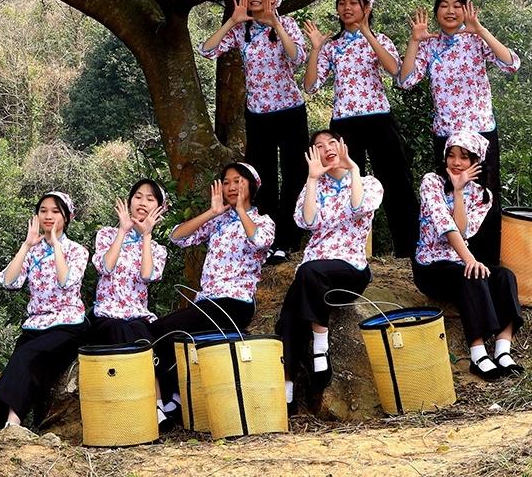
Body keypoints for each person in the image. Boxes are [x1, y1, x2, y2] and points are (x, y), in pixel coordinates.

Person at [397, 0, 519, 265]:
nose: (450, 11)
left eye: (456, 5)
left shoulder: (475, 40)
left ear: (466, 10)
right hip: (447, 136)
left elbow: (511, 64)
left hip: (479, 134)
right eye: (443, 5)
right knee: (448, 195)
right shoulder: (429, 43)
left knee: (485, 197)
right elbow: (405, 81)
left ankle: (486, 263)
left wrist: (480, 29)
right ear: (436, 11)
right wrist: (414, 41)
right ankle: (453, 262)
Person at [147, 162, 274, 427]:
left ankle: (171, 399)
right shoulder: (218, 222)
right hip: (207, 302)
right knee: (164, 334)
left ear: (252, 185)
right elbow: (177, 237)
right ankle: (174, 398)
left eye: (238, 181)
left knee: (161, 329)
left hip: (236, 302)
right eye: (226, 182)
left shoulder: (263, 221)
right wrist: (211, 213)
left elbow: (260, 241)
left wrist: (240, 210)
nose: (231, 187)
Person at [0, 192, 89, 448]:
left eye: (55, 211)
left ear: (68, 216)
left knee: (24, 357)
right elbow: (9, 282)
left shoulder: (77, 251)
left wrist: (55, 247)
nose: (49, 216)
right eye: (43, 210)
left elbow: (66, 282)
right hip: (35, 325)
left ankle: (12, 423)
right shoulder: (32, 251)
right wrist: (27, 245)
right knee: (19, 370)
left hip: (69, 324)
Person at [302, 0, 418, 256]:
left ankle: (409, 249)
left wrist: (367, 32)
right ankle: (351, 250)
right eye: (342, 2)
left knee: (396, 181)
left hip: (379, 117)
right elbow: (310, 86)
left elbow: (396, 72)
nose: (346, 7)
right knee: (345, 183)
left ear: (366, 8)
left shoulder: (380, 39)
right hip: (344, 123)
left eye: (353, 2)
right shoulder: (332, 46)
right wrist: (317, 49)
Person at [199, 0, 307, 262]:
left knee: (295, 174)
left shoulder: (287, 24)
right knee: (262, 178)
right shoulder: (241, 30)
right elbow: (207, 50)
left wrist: (277, 25)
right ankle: (270, 239)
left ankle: (290, 240)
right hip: (258, 113)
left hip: (290, 109)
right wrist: (232, 21)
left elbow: (297, 58)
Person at [276, 130, 382, 409]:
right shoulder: (314, 186)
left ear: (342, 146)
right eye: (319, 146)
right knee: (289, 314)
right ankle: (287, 389)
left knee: (308, 273)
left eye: (331, 143)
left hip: (350, 268)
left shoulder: (368, 182)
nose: (326, 149)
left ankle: (320, 345)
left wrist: (355, 168)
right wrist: (312, 179)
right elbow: (307, 221)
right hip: (313, 270)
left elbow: (359, 208)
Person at [410, 132, 524, 379]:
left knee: (504, 276)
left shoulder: (483, 195)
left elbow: (463, 230)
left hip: (459, 259)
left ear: (476, 161)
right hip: (431, 266)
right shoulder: (431, 182)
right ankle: (478, 353)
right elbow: (446, 227)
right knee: (469, 274)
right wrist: (470, 259)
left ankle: (503, 350)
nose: (456, 162)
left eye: (464, 157)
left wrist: (460, 191)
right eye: (451, 155)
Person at [91, 178, 169, 347]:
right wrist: (122, 230)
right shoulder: (107, 234)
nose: (142, 203)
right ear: (130, 201)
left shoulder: (158, 249)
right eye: (138, 197)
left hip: (137, 315)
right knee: (120, 330)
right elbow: (106, 267)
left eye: (150, 199)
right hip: (106, 315)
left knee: (144, 338)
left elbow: (146, 275)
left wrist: (146, 235)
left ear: (159, 209)